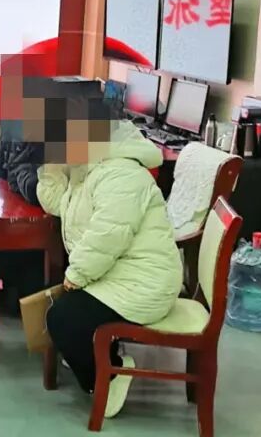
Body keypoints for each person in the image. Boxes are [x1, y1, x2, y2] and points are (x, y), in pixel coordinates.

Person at [36, 94, 182, 419]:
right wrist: (51, 167)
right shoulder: (87, 168)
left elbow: (109, 234)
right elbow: (58, 202)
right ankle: (99, 357)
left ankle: (109, 375)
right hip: (116, 274)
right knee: (52, 303)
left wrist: (77, 275)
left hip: (145, 283)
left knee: (62, 318)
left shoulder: (121, 173)